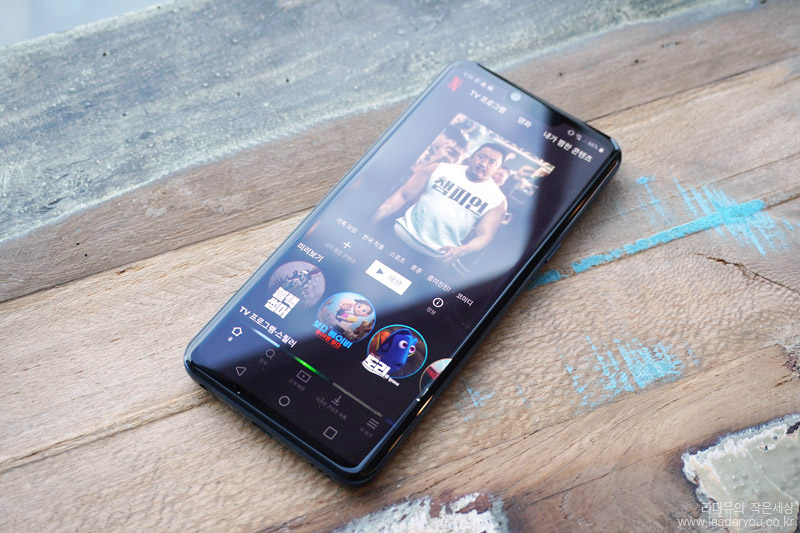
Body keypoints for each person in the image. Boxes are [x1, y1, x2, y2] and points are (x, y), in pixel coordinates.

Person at [373, 143, 508, 265]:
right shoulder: (439, 169)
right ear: (472, 156)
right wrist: (373, 219)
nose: (484, 164)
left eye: (492, 162)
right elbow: (402, 195)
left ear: (498, 168)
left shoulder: (497, 200)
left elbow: (484, 235)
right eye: (481, 157)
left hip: (434, 259)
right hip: (397, 239)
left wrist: (462, 250)